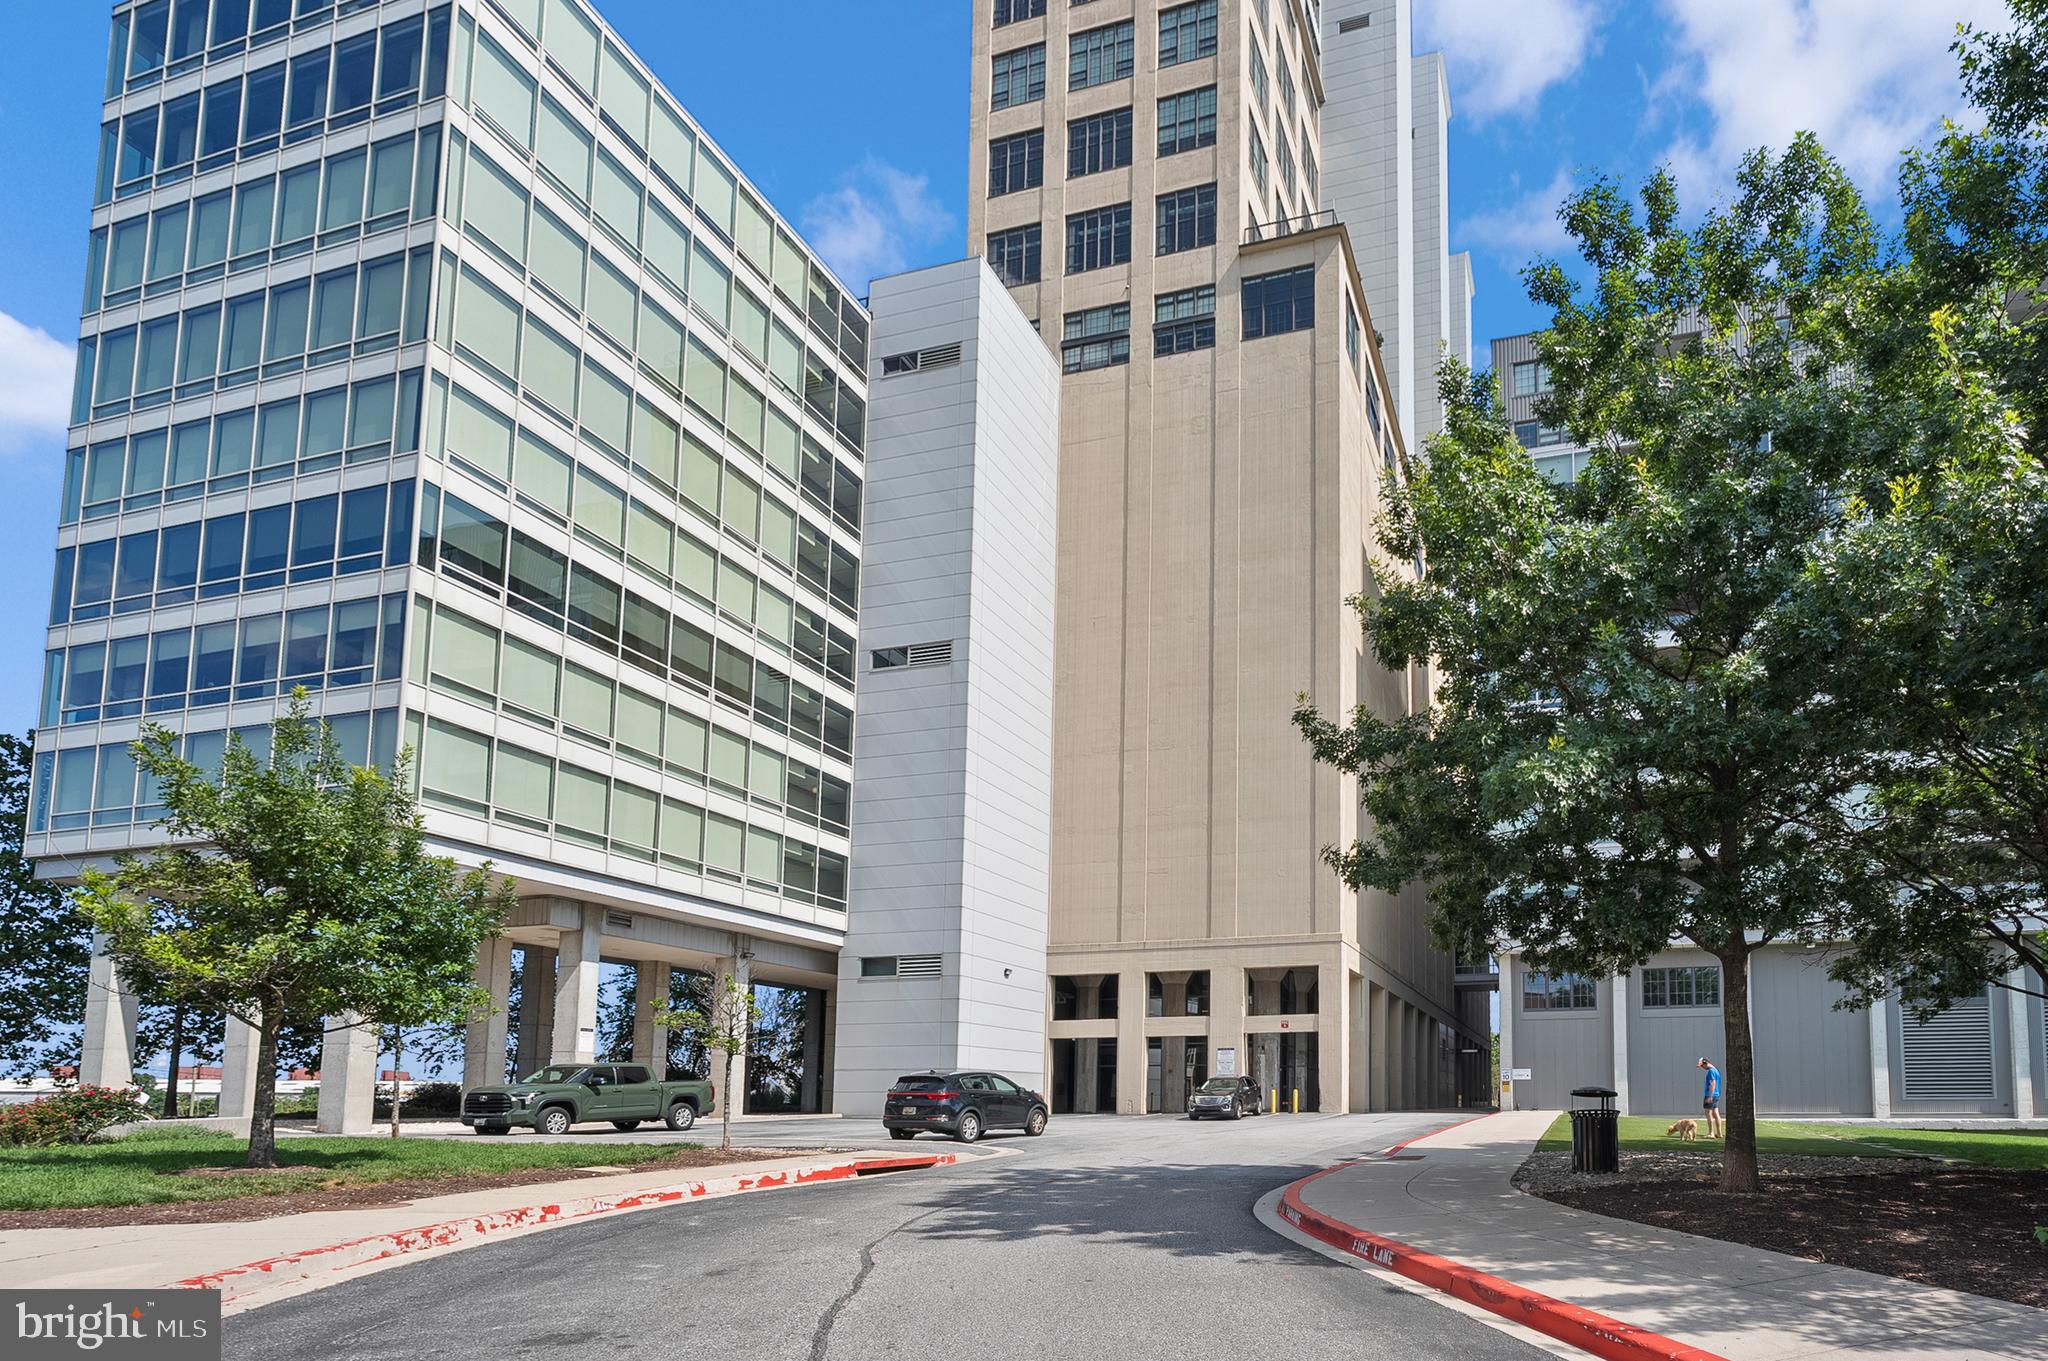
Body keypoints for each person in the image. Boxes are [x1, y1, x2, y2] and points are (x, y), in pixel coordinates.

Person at [1697, 1057, 1723, 1138]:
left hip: (1710, 1094)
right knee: (1716, 1113)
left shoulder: (1711, 1071)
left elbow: (1713, 1083)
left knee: (1708, 1113)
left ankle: (1711, 1133)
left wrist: (1710, 1096)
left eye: (1702, 1066)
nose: (1702, 1067)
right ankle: (1719, 1133)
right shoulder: (1716, 1070)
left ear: (1705, 1063)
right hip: (1717, 1094)